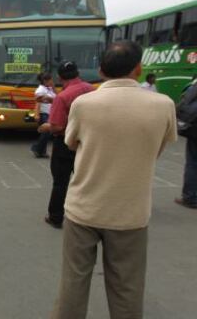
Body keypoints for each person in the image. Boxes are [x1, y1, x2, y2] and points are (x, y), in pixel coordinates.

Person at [50, 40, 177, 319]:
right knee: (127, 288)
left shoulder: (83, 104)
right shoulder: (163, 105)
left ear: (101, 70)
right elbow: (158, 147)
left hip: (83, 208)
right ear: (139, 69)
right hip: (130, 213)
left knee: (74, 283)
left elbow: (71, 143)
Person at [38, 61, 94, 229]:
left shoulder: (63, 97)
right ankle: (86, 216)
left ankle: (55, 217)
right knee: (86, 180)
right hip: (88, 141)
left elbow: (57, 126)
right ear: (78, 73)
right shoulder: (92, 90)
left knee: (60, 182)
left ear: (60, 77)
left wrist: (46, 126)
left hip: (65, 143)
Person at [175, 76, 197, 209]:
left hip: (194, 130)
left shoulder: (194, 85)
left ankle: (190, 197)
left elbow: (184, 104)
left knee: (193, 162)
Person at [31, 72, 56, 158]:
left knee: (46, 132)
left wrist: (53, 87)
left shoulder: (49, 89)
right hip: (44, 113)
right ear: (45, 81)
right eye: (50, 80)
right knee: (47, 132)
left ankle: (41, 151)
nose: (52, 81)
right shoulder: (40, 90)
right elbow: (38, 103)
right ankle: (37, 148)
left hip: (50, 113)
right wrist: (37, 114)